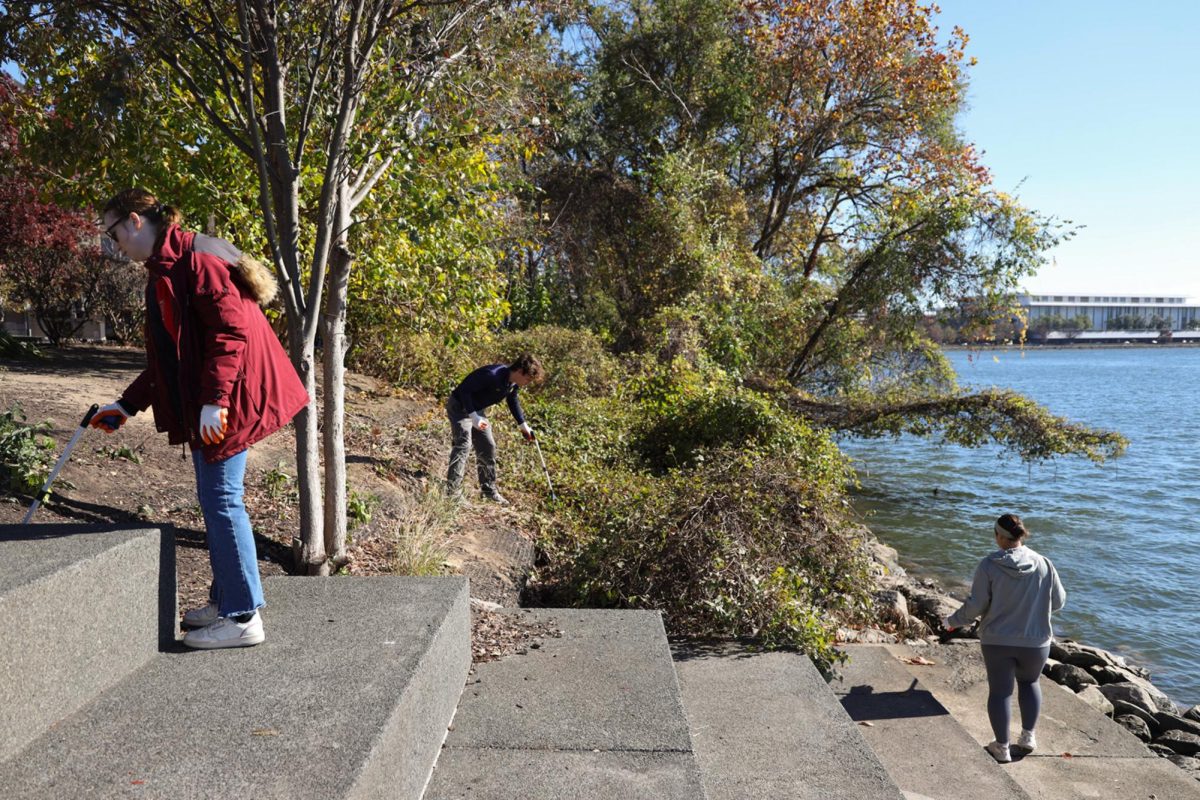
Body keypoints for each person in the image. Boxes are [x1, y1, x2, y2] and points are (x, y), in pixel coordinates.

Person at [94, 188, 308, 650]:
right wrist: (127, 405)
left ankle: (243, 615)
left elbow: (230, 333)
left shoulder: (197, 261)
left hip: (235, 395)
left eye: (113, 234)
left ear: (134, 221)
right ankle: (227, 597)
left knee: (222, 499)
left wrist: (216, 399)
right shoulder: (169, 266)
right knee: (218, 498)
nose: (115, 246)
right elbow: (170, 358)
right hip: (219, 395)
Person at [943, 513, 1066, 763]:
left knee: (1000, 692)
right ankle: (1028, 736)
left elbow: (976, 605)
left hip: (997, 640)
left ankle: (1002, 747)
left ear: (999, 536)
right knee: (1030, 683)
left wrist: (951, 622)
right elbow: (1059, 602)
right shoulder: (1044, 563)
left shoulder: (989, 565)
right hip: (1036, 641)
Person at [445, 354, 543, 504]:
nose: (528, 383)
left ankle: (488, 490)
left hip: (477, 411)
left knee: (488, 445)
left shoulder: (512, 383)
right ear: (520, 371)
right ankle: (453, 492)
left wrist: (523, 424)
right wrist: (473, 417)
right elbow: (464, 391)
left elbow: (512, 399)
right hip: (460, 407)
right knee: (463, 445)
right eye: (528, 379)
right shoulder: (492, 375)